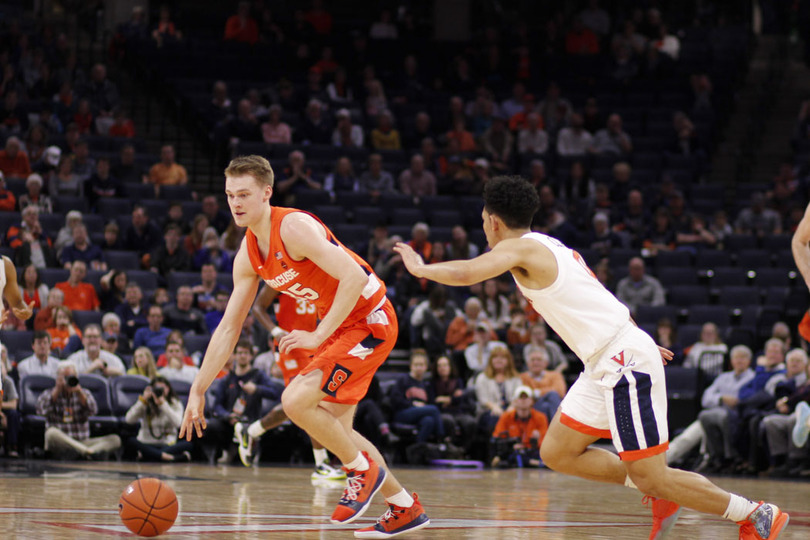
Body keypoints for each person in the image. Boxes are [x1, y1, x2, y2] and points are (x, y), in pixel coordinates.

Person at [394, 175, 789, 539]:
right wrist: (638, 335)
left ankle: (754, 513)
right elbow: (599, 294)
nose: (484, 227)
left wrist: (421, 267)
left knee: (655, 475)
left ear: (494, 221)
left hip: (622, 361)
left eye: (483, 220)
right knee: (557, 453)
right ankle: (657, 489)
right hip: (605, 358)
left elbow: (467, 273)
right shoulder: (549, 244)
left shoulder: (518, 249)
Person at [179, 155, 430, 538]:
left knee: (296, 400)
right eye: (230, 195)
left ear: (267, 193)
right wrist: (198, 389)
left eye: (244, 194)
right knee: (340, 433)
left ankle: (361, 470)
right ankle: (403, 507)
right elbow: (230, 327)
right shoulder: (248, 254)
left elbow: (353, 275)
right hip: (341, 327)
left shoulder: (293, 227)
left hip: (370, 319)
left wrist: (315, 335)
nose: (235, 203)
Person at [236, 285, 346, 480]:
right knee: (306, 401)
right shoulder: (281, 277)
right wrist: (275, 330)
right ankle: (321, 464)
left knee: (305, 404)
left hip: (313, 342)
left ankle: (251, 430)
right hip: (290, 344)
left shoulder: (317, 273)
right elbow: (258, 307)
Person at [205, 340, 282, 464]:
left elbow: (275, 393)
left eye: (246, 353)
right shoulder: (227, 379)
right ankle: (223, 450)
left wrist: (257, 389)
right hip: (230, 421)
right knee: (212, 426)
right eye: (239, 353)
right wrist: (227, 416)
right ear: (234, 356)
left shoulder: (258, 375)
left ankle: (253, 450)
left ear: (251, 356)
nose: (242, 356)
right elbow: (217, 405)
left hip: (251, 420)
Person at [36, 362, 121, 459]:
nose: (68, 380)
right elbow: (41, 411)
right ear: (58, 378)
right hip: (62, 442)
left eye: (71, 377)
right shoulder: (49, 393)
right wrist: (57, 390)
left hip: (82, 441)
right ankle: (89, 452)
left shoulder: (84, 393)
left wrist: (80, 393)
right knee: (50, 433)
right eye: (65, 377)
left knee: (115, 439)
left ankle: (84, 452)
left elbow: (93, 411)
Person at [125, 375, 192, 462]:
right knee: (131, 441)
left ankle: (149, 456)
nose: (160, 391)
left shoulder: (174, 403)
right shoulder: (145, 402)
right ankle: (170, 458)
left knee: (188, 444)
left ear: (168, 389)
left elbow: (178, 423)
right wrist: (143, 401)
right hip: (146, 443)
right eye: (157, 389)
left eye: (163, 388)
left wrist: (163, 404)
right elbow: (129, 419)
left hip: (166, 444)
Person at [490, 385, 549, 468]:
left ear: (532, 401)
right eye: (520, 398)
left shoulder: (540, 417)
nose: (523, 401)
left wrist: (537, 439)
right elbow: (497, 437)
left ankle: (534, 462)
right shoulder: (506, 417)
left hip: (532, 451)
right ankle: (535, 463)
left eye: (526, 398)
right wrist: (510, 445)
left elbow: (544, 443)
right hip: (513, 452)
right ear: (514, 401)